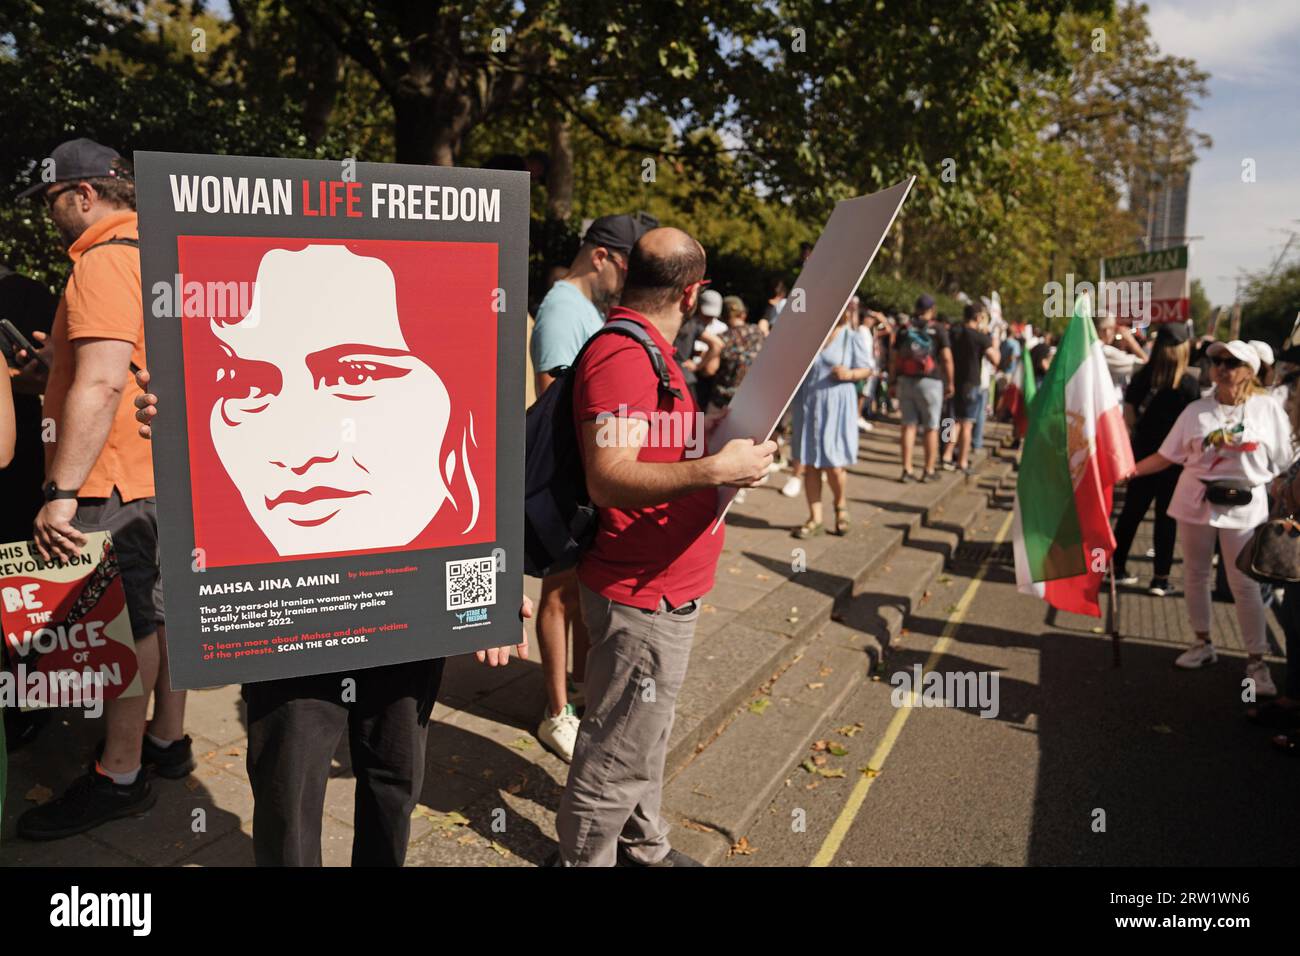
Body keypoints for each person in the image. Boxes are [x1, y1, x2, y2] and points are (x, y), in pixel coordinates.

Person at [132, 374, 532, 867]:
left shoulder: (449, 335)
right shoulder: (241, 324)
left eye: (357, 377)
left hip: (409, 599)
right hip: (288, 610)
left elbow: (484, 427)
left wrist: (494, 575)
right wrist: (182, 428)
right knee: (288, 795)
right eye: (252, 389)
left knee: (394, 778)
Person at [553, 227, 776, 866]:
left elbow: (649, 435)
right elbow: (609, 475)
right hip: (642, 587)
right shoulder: (625, 354)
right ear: (693, 289)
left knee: (639, 734)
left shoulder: (645, 345)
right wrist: (715, 471)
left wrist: (708, 433)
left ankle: (643, 848)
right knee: (615, 751)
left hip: (659, 580)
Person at [11, 139, 191, 841]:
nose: (46, 216)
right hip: (156, 472)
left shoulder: (103, 259)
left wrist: (61, 490)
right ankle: (168, 744)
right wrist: (48, 371)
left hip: (112, 478)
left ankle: (119, 775)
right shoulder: (155, 252)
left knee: (127, 626)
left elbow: (104, 380)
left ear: (84, 195)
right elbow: (110, 364)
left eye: (51, 199)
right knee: (163, 611)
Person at [529, 213, 649, 761]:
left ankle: (574, 690)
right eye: (624, 267)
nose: (625, 281)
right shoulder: (561, 307)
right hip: (565, 481)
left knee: (574, 593)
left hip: (585, 481)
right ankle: (556, 714)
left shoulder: (586, 309)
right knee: (556, 596)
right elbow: (553, 400)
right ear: (600, 255)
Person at [1128, 340, 1292, 695]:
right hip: (1195, 498)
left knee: (1244, 584)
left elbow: (1281, 463)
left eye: (1231, 362)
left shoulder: (1267, 409)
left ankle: (1256, 663)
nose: (1221, 367)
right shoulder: (1195, 411)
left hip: (1244, 504)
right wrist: (1129, 471)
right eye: (1216, 360)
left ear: (1249, 369)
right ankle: (1202, 642)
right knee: (1195, 574)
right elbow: (1167, 455)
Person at [1111, 323, 1200, 596]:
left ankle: (1116, 569)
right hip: (1175, 461)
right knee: (1166, 519)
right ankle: (1160, 579)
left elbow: (1128, 415)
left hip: (1142, 455)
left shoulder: (1142, 376)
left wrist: (1139, 436)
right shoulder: (1189, 385)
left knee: (1131, 515)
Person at [789, 302, 874, 537]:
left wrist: (850, 374)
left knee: (833, 464)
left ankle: (840, 505)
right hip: (808, 402)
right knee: (809, 461)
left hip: (836, 404)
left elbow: (867, 368)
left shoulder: (851, 336)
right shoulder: (811, 334)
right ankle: (815, 518)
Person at [892, 294, 953, 482]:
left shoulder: (904, 330)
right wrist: (950, 382)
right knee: (931, 427)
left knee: (908, 425)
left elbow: (893, 359)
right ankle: (928, 469)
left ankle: (907, 469)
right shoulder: (938, 329)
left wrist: (893, 381)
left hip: (906, 380)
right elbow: (946, 358)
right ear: (932, 309)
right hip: (931, 382)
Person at [948, 303, 1000, 474]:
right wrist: (993, 340)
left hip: (953, 381)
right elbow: (995, 359)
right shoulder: (979, 337)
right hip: (971, 383)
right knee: (967, 424)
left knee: (951, 421)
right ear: (978, 317)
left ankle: (947, 455)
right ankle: (962, 461)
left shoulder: (954, 333)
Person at [1095, 313, 1147, 400]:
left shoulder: (1092, 348)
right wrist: (1130, 341)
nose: (1115, 332)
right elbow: (1145, 362)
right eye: (1113, 328)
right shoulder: (1105, 351)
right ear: (1106, 330)